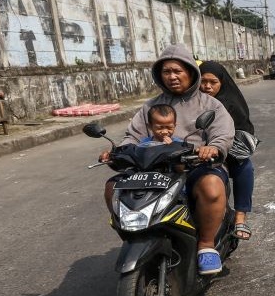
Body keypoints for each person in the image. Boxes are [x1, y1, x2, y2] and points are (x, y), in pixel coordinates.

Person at [100, 44, 234, 275]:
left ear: (191, 72)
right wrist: (116, 152)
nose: (172, 77)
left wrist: (212, 148)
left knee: (212, 188)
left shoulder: (210, 104)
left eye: (177, 71)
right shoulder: (150, 106)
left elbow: (222, 134)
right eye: (166, 72)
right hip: (155, 168)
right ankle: (134, 235)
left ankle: (206, 245)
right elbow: (132, 136)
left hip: (195, 166)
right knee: (114, 187)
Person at [198, 60, 256, 241]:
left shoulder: (229, 103)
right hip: (192, 152)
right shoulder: (191, 101)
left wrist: (218, 147)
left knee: (245, 168)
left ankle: (240, 215)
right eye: (203, 81)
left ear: (222, 82)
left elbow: (239, 130)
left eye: (213, 82)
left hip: (227, 152)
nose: (207, 86)